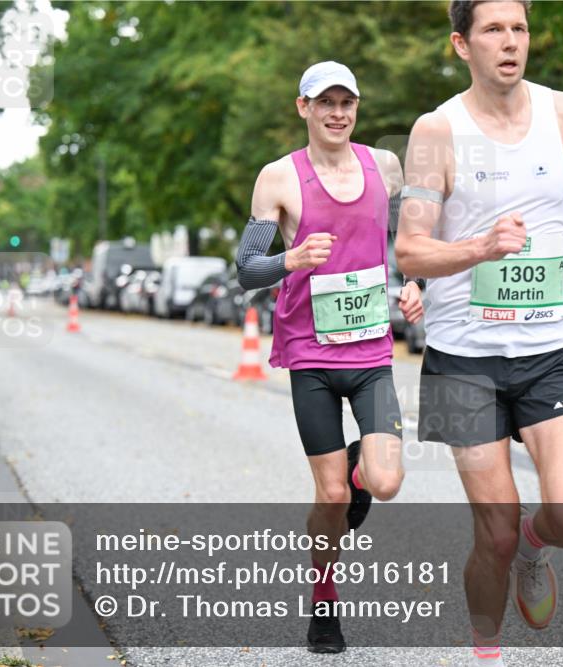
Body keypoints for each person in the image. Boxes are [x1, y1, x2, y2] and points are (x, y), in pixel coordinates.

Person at [395, 2, 563, 665]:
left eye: (519, 28)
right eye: (493, 30)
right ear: (461, 44)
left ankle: (535, 542)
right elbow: (410, 250)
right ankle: (485, 650)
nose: (510, 42)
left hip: (554, 348)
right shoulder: (437, 131)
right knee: (488, 533)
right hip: (461, 357)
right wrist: (479, 248)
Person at [236, 61, 423, 654]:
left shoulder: (384, 167)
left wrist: (414, 278)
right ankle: (323, 603)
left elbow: (410, 233)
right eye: (326, 103)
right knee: (333, 498)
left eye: (347, 102)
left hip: (370, 352)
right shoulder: (278, 178)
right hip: (310, 355)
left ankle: (359, 463)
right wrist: (288, 261)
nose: (338, 113)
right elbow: (245, 269)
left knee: (386, 480)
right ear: (304, 108)